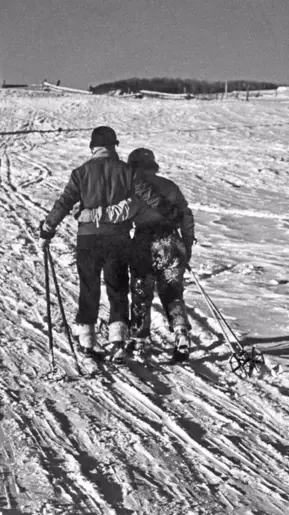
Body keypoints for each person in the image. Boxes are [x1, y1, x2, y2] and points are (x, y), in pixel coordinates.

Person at [39, 127, 179, 358]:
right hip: (118, 238)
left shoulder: (80, 173)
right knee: (118, 289)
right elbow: (148, 195)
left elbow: (64, 202)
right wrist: (169, 212)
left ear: (92, 147)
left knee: (89, 288)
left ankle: (88, 340)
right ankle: (118, 342)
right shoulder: (127, 171)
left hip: (88, 239)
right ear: (114, 146)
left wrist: (48, 227)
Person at [78, 148, 196, 361]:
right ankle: (181, 335)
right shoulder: (170, 186)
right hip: (172, 242)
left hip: (145, 244)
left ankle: (140, 340)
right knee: (172, 293)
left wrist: (93, 216)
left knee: (142, 292)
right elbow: (187, 216)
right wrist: (186, 247)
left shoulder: (136, 188)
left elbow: (123, 213)